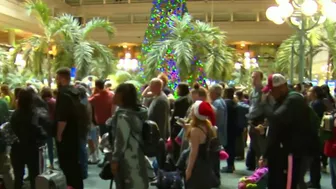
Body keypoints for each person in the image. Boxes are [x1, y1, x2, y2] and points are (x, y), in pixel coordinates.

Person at [260, 73, 319, 189]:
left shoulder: (294, 99)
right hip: (283, 153)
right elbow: (275, 125)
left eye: (272, 90)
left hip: (292, 153)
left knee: (288, 184)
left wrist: (264, 104)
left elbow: (276, 119)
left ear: (282, 87)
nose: (270, 94)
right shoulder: (282, 100)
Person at [110, 83, 149, 189]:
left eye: (116, 93)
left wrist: (115, 160)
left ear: (121, 96)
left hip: (127, 159)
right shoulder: (138, 113)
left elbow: (120, 141)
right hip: (138, 156)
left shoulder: (123, 117)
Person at [10, 89, 47, 189]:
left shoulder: (15, 114)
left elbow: (12, 129)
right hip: (32, 148)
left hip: (17, 148)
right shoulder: (33, 114)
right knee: (34, 177)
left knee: (18, 177)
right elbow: (38, 130)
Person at [55, 68, 83, 189]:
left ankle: (70, 185)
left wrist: (59, 134)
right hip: (76, 130)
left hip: (66, 133)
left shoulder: (63, 94)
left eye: (57, 78)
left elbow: (62, 117)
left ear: (62, 78)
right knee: (74, 162)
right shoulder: (76, 91)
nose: (56, 80)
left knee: (66, 163)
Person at [185, 101, 219, 189]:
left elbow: (194, 152)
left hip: (197, 164)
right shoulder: (208, 126)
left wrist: (189, 169)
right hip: (206, 162)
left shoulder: (195, 130)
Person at [306, 86, 325, 188]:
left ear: (315, 94)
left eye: (310, 91)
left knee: (314, 159)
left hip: (314, 136)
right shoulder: (313, 103)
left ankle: (315, 181)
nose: (308, 93)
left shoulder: (317, 104)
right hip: (313, 135)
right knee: (313, 160)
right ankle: (313, 180)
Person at [170, 82, 192, 160]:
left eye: (178, 89)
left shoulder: (180, 101)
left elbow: (175, 116)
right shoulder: (189, 99)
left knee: (175, 148)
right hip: (184, 126)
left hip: (177, 126)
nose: (176, 90)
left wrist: (171, 126)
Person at [222, 87, 237, 173]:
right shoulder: (234, 102)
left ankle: (230, 166)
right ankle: (231, 165)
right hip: (233, 127)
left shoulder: (226, 103)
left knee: (229, 147)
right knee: (232, 146)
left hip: (228, 127)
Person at [41, 87, 56, 169]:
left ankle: (50, 163)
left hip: (46, 126)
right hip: (54, 125)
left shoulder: (43, 103)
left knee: (47, 146)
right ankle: (53, 163)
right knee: (53, 146)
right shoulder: (54, 101)